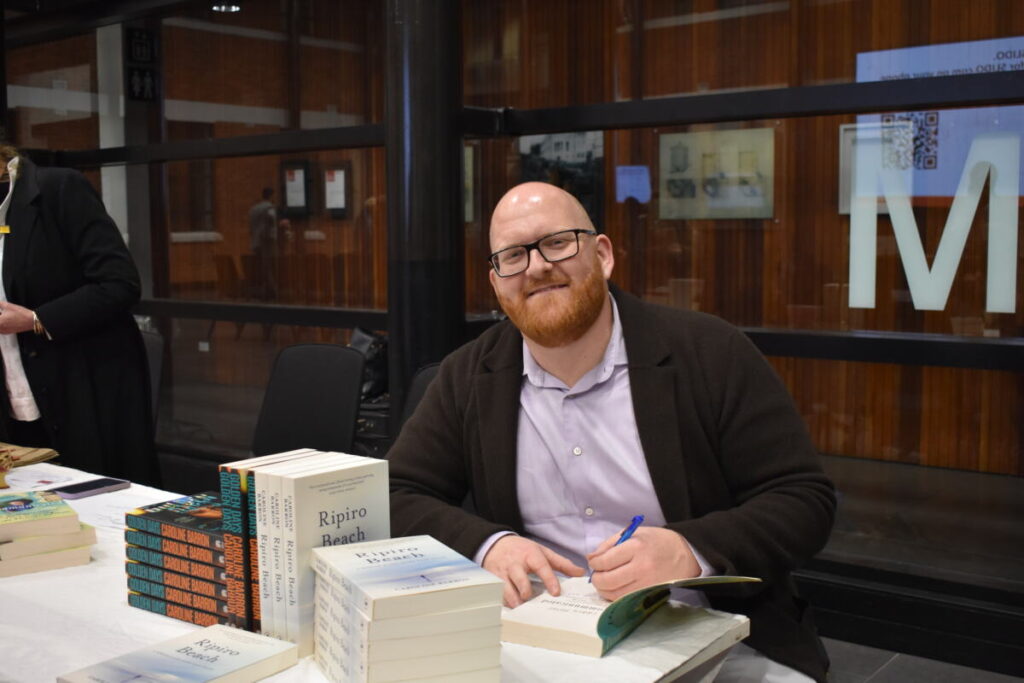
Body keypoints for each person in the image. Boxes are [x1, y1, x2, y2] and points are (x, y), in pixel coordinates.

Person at [388, 181, 836, 682]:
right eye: (513, 256)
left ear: (601, 255)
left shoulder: (711, 353)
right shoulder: (468, 376)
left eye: (556, 243)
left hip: (717, 634)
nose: (536, 266)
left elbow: (803, 500)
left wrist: (690, 551)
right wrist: (488, 545)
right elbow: (397, 492)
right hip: (540, 641)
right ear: (497, 284)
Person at [0, 144, 157, 485]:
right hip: (14, 398)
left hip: (82, 386)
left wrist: (35, 319)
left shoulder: (58, 189)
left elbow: (119, 283)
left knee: (96, 509)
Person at [248, 187, 278, 300]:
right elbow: (272, 220)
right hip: (266, 242)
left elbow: (251, 227)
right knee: (269, 267)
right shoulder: (270, 208)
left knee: (262, 267)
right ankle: (273, 292)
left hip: (256, 242)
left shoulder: (253, 209)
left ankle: (264, 290)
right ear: (271, 196)